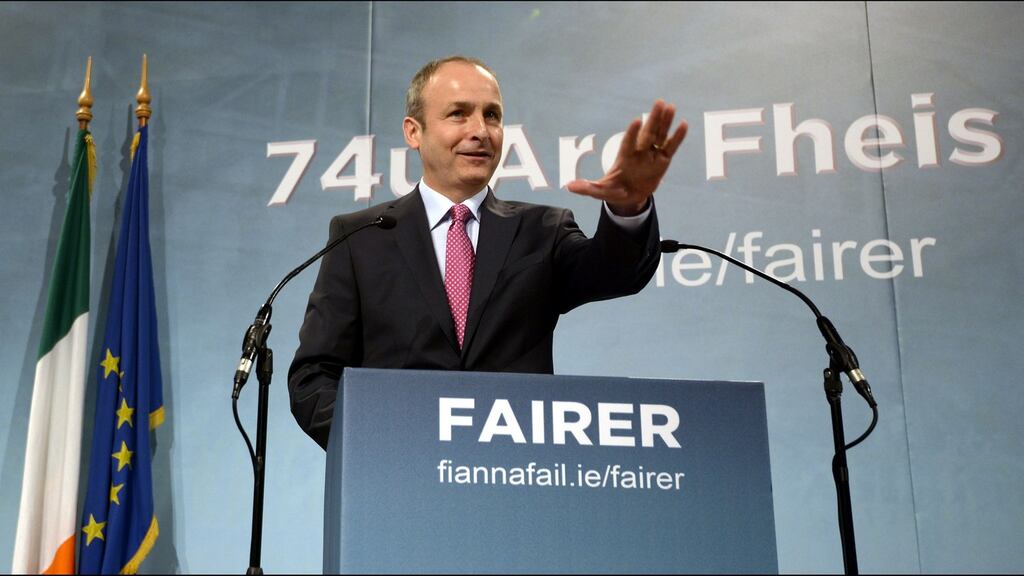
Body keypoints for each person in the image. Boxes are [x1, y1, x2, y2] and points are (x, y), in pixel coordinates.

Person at [288, 56, 688, 449]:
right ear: (414, 131)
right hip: (397, 471)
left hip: (514, 471)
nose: (480, 130)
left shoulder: (542, 231)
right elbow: (314, 376)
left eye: (492, 115)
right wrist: (372, 443)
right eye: (458, 114)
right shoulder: (361, 237)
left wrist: (629, 207)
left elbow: (617, 272)